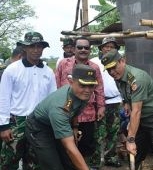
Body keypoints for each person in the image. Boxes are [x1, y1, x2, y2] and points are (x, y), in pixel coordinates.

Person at [101, 49, 153, 170]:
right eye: (108, 69)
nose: (112, 72)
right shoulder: (118, 77)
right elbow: (127, 95)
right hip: (141, 119)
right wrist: (126, 103)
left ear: (122, 61)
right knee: (135, 154)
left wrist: (130, 139)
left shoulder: (136, 78)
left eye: (114, 67)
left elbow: (137, 111)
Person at [0, 31, 57, 169]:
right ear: (24, 48)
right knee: (9, 160)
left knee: (34, 161)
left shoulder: (48, 72)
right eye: (32, 46)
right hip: (16, 122)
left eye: (39, 46)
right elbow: (3, 97)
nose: (36, 50)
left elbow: (52, 100)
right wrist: (4, 126)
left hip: (39, 122)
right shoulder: (12, 70)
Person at [25, 64, 97, 170]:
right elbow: (69, 147)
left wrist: (75, 127)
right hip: (39, 128)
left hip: (58, 123)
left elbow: (74, 111)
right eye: (83, 85)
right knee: (53, 166)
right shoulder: (59, 108)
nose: (87, 90)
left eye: (91, 85)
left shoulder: (82, 94)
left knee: (69, 163)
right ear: (71, 82)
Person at [55, 37, 105, 169]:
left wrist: (101, 107)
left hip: (87, 113)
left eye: (86, 47)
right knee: (67, 145)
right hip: (66, 112)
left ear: (90, 49)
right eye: (80, 47)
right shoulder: (63, 64)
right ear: (74, 48)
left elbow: (99, 88)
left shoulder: (94, 67)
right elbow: (56, 85)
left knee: (86, 145)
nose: (83, 50)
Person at [90, 37, 123, 167]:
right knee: (99, 134)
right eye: (106, 46)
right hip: (99, 103)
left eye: (112, 47)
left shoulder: (119, 62)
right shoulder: (94, 63)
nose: (108, 49)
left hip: (115, 101)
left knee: (113, 132)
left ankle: (111, 157)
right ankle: (96, 161)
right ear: (101, 48)